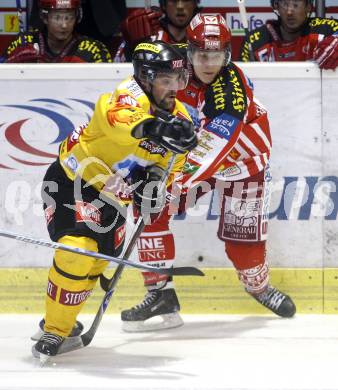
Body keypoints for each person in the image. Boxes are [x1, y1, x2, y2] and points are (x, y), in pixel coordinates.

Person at [120, 13, 297, 332]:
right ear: (188, 51)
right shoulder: (172, 67)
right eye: (202, 54)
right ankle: (160, 294)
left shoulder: (230, 89)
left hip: (243, 162)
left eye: (216, 55)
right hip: (196, 152)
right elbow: (137, 95)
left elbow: (213, 147)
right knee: (149, 205)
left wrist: (170, 181)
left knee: (243, 247)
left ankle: (259, 287)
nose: (209, 63)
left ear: (227, 55)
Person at [32, 40, 198, 358]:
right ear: (146, 79)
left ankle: (56, 321)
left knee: (94, 263)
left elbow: (167, 168)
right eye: (166, 80)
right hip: (72, 183)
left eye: (178, 79)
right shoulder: (121, 98)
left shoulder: (181, 121)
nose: (175, 88)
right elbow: (122, 124)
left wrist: (153, 189)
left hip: (112, 200)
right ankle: (55, 331)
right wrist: (155, 127)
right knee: (77, 252)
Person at [3, 0, 112, 63]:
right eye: (57, 18)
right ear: (44, 17)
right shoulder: (23, 42)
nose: (64, 25)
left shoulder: (94, 51)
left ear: (77, 17)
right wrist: (14, 66)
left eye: (69, 17)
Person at [240, 0, 338, 70]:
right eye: (284, 4)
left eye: (296, 4)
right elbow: (240, 78)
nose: (289, 11)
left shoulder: (324, 29)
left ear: (308, 6)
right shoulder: (255, 41)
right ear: (276, 6)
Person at [114, 0, 201, 62]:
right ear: (163, 4)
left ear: (195, 3)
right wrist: (131, 48)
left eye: (186, 0)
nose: (180, 6)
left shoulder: (204, 36)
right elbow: (118, 69)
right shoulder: (147, 35)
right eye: (173, 0)